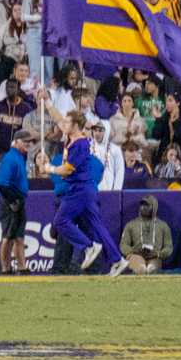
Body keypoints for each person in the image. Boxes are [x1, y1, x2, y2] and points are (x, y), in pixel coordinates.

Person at [51, 111, 122, 275]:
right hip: (82, 191)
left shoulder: (82, 146)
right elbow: (60, 120)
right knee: (95, 226)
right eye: (94, 129)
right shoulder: (76, 141)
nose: (97, 132)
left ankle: (87, 249)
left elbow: (67, 170)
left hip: (78, 192)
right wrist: (47, 103)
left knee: (62, 223)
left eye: (100, 130)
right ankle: (117, 259)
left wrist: (50, 169)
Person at [0, 128, 33, 274]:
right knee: (8, 236)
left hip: (18, 200)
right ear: (16, 142)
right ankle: (5, 268)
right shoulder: (10, 158)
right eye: (25, 141)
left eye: (29, 142)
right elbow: (1, 183)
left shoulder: (19, 156)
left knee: (18, 236)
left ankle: (22, 267)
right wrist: (12, 201)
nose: (28, 144)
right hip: (10, 201)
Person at [117, 194, 174, 274]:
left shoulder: (163, 226)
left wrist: (158, 254)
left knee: (152, 270)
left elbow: (169, 247)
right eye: (142, 205)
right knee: (141, 269)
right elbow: (123, 245)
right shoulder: (131, 224)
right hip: (135, 255)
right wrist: (134, 251)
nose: (143, 207)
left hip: (155, 257)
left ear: (154, 207)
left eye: (147, 205)